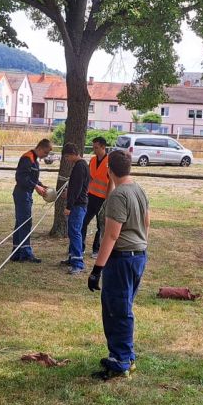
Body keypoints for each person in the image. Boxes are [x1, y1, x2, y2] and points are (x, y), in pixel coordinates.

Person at [88, 150, 150, 380]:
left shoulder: (119, 196)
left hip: (122, 259)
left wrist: (97, 269)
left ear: (108, 170)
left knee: (117, 310)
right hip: (138, 255)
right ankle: (125, 355)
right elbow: (146, 222)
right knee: (123, 307)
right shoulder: (138, 190)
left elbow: (112, 236)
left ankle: (121, 360)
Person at [10, 139, 51, 263]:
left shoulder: (34, 160)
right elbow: (21, 177)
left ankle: (16, 253)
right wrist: (35, 186)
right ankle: (26, 254)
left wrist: (41, 185)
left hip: (26, 193)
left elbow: (32, 178)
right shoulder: (27, 158)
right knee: (25, 223)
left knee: (20, 223)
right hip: (22, 194)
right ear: (40, 148)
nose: (46, 155)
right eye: (46, 152)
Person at [60, 142, 90, 275]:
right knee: (73, 232)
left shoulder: (79, 166)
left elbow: (77, 189)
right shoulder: (81, 165)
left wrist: (69, 206)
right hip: (78, 204)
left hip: (78, 205)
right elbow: (76, 186)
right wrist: (68, 191)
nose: (67, 160)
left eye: (67, 157)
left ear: (72, 154)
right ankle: (72, 258)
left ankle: (78, 263)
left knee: (75, 232)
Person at [81, 136, 113, 260]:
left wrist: (108, 198)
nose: (94, 150)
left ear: (103, 147)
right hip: (90, 197)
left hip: (103, 199)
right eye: (93, 147)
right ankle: (81, 248)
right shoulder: (93, 160)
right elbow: (89, 177)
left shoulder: (110, 161)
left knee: (101, 226)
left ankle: (96, 249)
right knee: (83, 223)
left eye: (96, 148)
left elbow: (111, 182)